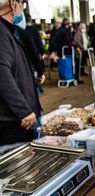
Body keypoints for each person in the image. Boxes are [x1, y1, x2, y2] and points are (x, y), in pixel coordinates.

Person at [0, 0, 42, 145]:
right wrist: (23, 110)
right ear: (12, 3)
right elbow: (2, 73)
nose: (22, 8)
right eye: (21, 3)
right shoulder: (1, 32)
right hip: (10, 122)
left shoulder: (9, 30)